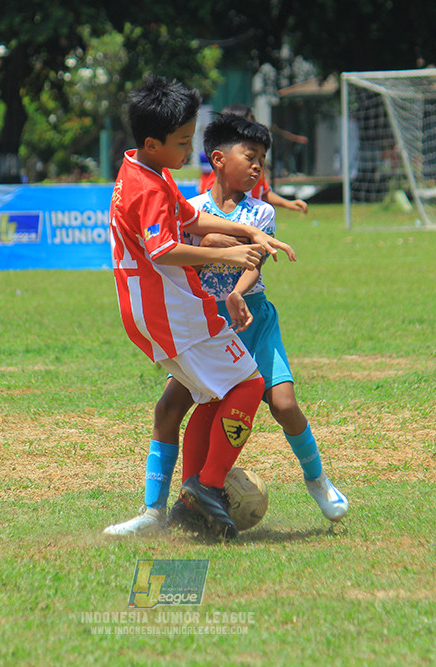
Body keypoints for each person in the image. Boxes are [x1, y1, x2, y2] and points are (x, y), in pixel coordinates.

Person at [104, 113, 347, 537]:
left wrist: (236, 261)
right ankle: (173, 504)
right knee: (174, 408)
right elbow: (180, 245)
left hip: (250, 319)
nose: (257, 167)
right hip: (204, 319)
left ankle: (317, 483)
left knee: (283, 404)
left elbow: (240, 251)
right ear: (218, 159)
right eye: (250, 156)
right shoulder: (178, 196)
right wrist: (229, 248)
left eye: (262, 160)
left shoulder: (260, 211)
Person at [204, 103, 309, 214]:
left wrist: (288, 203)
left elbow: (263, 192)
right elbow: (213, 200)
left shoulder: (255, 168)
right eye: (247, 124)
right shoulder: (221, 173)